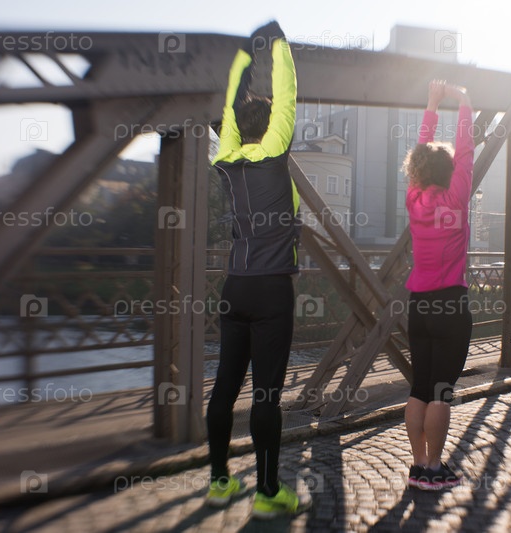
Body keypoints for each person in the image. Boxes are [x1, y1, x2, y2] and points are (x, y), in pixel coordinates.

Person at [205, 20, 309, 518]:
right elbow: (288, 96)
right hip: (271, 293)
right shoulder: (274, 153)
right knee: (266, 395)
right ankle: (268, 493)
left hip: (235, 289)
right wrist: (280, 46)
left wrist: (245, 58)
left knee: (225, 388)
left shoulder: (226, 157)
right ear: (271, 129)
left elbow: (229, 108)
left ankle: (219, 482)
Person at [403, 80, 474, 491]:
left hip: (418, 305)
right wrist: (464, 102)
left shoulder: (414, 200)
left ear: (417, 173)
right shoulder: (456, 198)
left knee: (419, 387)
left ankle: (417, 465)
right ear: (450, 173)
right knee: (441, 392)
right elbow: (465, 151)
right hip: (450, 304)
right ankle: (433, 468)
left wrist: (431, 104)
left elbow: (421, 151)